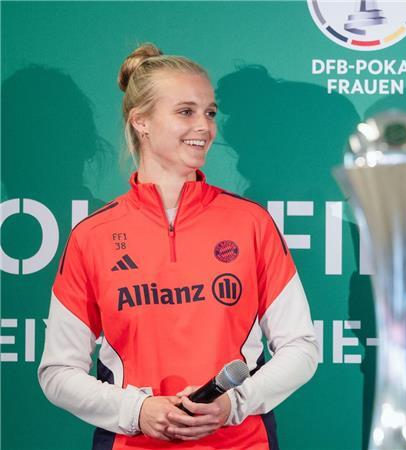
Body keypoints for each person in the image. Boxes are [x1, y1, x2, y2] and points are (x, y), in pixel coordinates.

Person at [38, 43, 319, 449]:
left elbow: (301, 347)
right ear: (141, 122)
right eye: (185, 112)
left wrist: (232, 405)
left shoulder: (251, 223)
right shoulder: (93, 236)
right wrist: (138, 411)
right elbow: (58, 372)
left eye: (209, 112)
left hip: (242, 442)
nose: (204, 127)